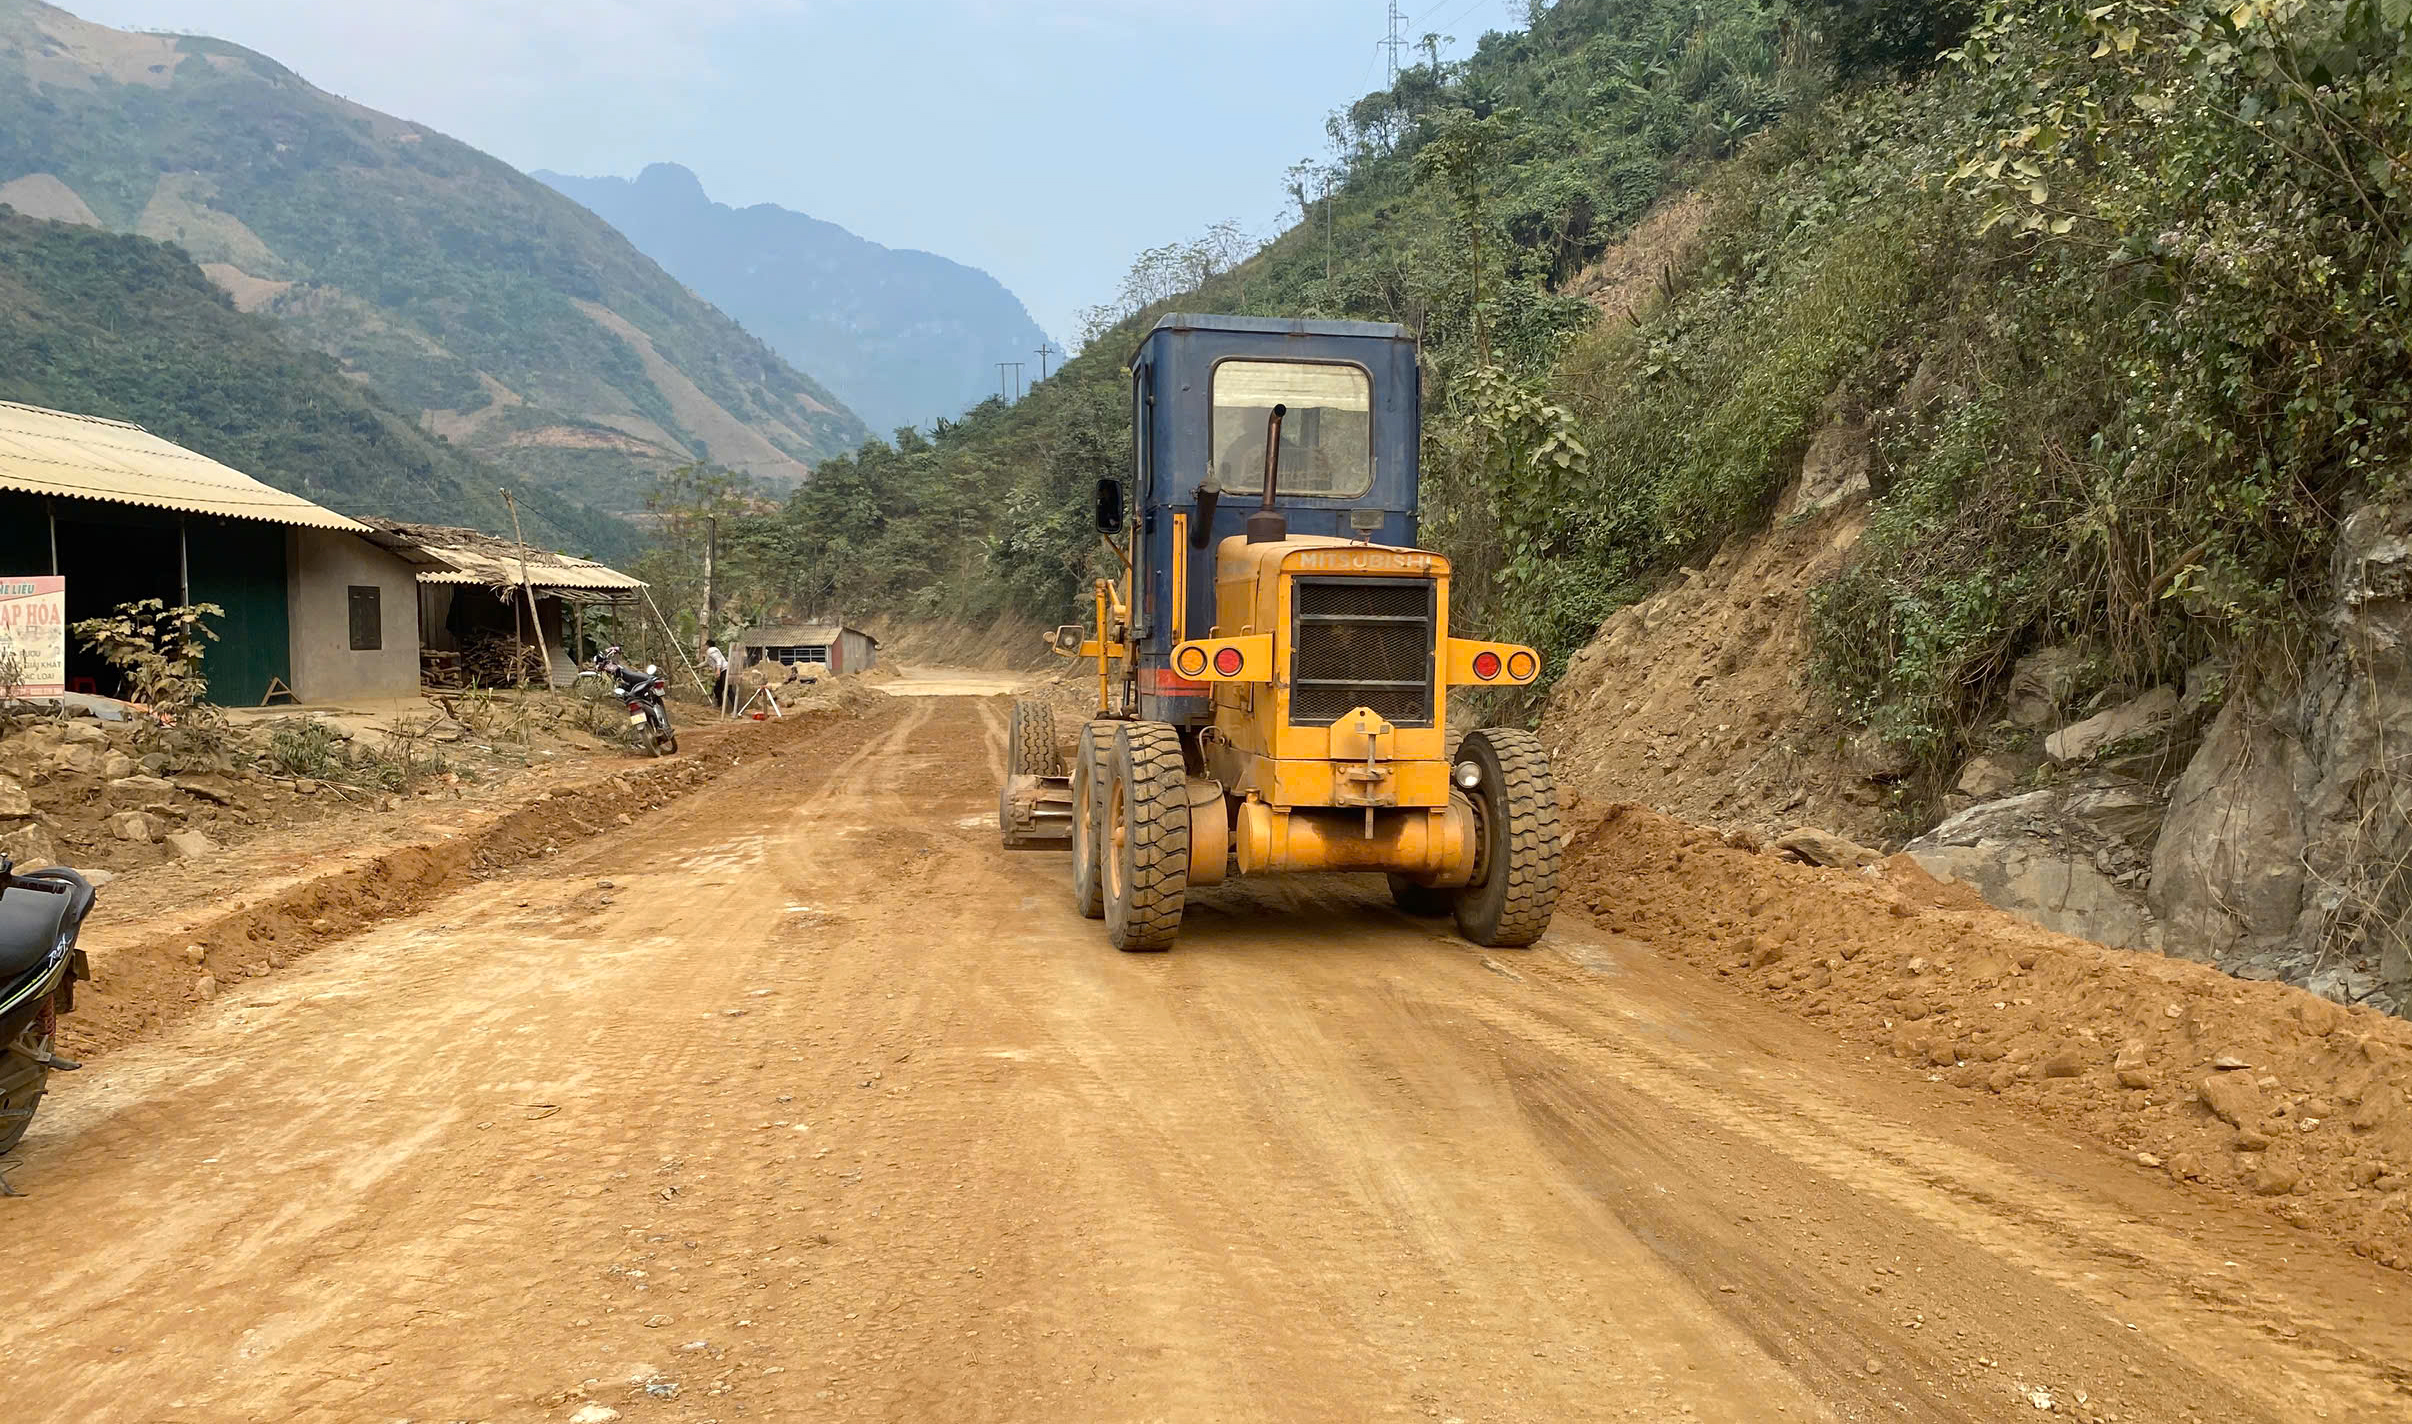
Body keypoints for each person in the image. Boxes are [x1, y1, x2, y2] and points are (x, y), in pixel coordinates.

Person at [704, 640, 729, 711]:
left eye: (704, 645)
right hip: (723, 670)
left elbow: (718, 659)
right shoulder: (710, 653)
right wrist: (697, 667)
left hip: (724, 670)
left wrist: (718, 670)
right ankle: (720, 705)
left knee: (728, 689)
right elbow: (706, 663)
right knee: (717, 689)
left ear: (707, 645)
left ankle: (734, 708)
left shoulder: (711, 650)